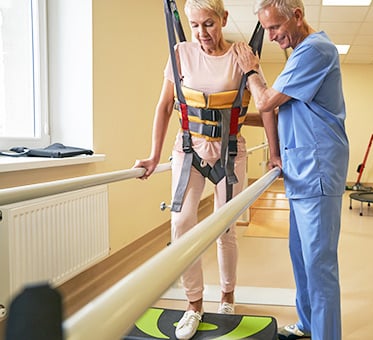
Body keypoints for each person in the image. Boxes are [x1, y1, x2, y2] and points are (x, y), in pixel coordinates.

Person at [134, 0, 281, 339]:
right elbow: (164, 106)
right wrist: (154, 156)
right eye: (196, 25)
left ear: (224, 19)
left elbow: (267, 108)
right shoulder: (181, 53)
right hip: (189, 149)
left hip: (230, 151)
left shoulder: (243, 55)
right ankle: (193, 304)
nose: (202, 33)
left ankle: (227, 296)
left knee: (225, 229)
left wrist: (274, 153)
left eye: (209, 24)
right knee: (181, 222)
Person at [232, 1, 349, 339]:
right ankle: (309, 324)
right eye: (266, 29)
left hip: (318, 169)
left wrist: (252, 71)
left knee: (319, 264)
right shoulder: (298, 55)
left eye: (274, 28)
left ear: (297, 16)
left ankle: (326, 334)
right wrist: (232, 120)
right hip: (302, 169)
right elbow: (280, 110)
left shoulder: (316, 49)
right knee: (300, 255)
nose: (270, 37)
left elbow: (266, 100)